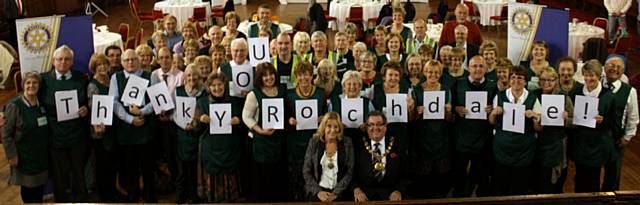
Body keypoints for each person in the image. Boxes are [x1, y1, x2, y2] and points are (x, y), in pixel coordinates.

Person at [40, 45, 90, 202]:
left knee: (79, 174)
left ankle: (81, 201)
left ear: (72, 62)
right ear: (53, 61)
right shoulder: (43, 80)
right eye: (59, 59)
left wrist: (86, 109)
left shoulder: (81, 78)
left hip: (77, 136)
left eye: (67, 59)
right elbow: (29, 97)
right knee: (59, 177)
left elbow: (89, 102)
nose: (63, 62)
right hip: (55, 138)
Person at [109, 49, 157, 202]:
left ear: (139, 60)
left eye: (133, 59)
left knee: (148, 168)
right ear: (122, 62)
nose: (130, 62)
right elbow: (114, 102)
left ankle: (150, 198)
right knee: (130, 169)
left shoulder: (151, 76)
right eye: (126, 60)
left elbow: (157, 101)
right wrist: (130, 119)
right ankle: (133, 197)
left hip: (146, 130)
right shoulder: (116, 78)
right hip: (126, 131)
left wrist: (142, 112)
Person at [489, 65, 542, 196]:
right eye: (513, 77)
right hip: (502, 148)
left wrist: (535, 117)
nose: (516, 80)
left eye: (520, 78)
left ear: (525, 81)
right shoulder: (500, 96)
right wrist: (494, 113)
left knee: (519, 185)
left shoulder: (533, 98)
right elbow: (492, 122)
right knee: (500, 184)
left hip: (524, 149)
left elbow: (538, 128)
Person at [569, 59, 617, 193]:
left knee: (593, 178)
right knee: (579, 176)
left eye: (592, 75)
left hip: (597, 143)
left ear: (599, 76)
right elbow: (571, 111)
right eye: (586, 75)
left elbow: (613, 122)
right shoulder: (576, 91)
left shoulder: (608, 95)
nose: (588, 78)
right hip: (580, 141)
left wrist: (604, 120)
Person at [451, 56, 496, 197]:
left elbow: (497, 112)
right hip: (462, 137)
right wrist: (456, 109)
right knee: (459, 173)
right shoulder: (458, 84)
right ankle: (459, 196)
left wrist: (492, 110)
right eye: (474, 66)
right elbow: (449, 105)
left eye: (481, 66)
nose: (477, 69)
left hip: (483, 138)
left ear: (486, 69)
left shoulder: (492, 86)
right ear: (468, 68)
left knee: (481, 175)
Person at [242, 62, 287, 202]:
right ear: (259, 78)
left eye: (271, 74)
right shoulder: (253, 94)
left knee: (277, 176)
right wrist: (260, 130)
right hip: (260, 141)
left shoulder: (282, 90)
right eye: (265, 75)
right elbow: (246, 117)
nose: (269, 78)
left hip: (278, 140)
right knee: (261, 177)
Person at [410, 60, 454, 198]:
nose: (433, 75)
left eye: (436, 72)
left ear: (440, 74)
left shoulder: (446, 90)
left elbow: (449, 119)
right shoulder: (416, 89)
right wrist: (416, 112)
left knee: (441, 174)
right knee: (423, 175)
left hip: (441, 136)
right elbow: (411, 118)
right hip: (422, 135)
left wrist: (448, 111)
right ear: (425, 72)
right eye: (430, 71)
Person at [197, 72, 243, 202]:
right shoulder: (201, 102)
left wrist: (238, 121)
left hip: (230, 146)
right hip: (210, 147)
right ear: (208, 87)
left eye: (220, 85)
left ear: (225, 85)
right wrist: (200, 119)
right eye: (213, 86)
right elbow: (195, 128)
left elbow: (244, 124)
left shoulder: (234, 101)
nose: (217, 88)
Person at [3, 72, 49, 203]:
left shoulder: (42, 105)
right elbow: (6, 134)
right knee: (29, 190)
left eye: (35, 83)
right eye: (28, 82)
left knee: (39, 189)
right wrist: (11, 155)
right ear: (23, 85)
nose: (31, 85)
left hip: (40, 156)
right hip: (24, 156)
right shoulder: (15, 106)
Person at [286, 62, 327, 201]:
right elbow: (284, 117)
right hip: (295, 142)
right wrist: (289, 120)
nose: (303, 78)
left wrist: (323, 118)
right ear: (296, 77)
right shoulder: (289, 95)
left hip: (315, 141)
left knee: (315, 173)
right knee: (297, 177)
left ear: (311, 75)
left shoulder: (321, 93)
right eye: (300, 75)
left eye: (306, 74)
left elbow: (327, 115)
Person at [532, 67, 573, 194]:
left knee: (550, 179)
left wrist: (567, 119)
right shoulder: (533, 95)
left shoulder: (564, 97)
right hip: (536, 142)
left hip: (555, 143)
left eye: (550, 80)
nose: (546, 83)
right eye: (543, 79)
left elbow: (575, 122)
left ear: (556, 80)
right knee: (537, 176)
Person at [352, 111, 408, 202]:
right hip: (364, 196)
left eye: (379, 124)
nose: (375, 128)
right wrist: (356, 189)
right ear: (367, 127)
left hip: (391, 196)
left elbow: (405, 172)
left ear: (385, 127)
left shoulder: (397, 145)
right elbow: (351, 172)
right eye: (371, 125)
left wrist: (398, 190)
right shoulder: (358, 145)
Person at [601, 55, 638, 191]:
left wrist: (627, 137)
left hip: (616, 138)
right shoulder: (596, 85)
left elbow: (633, 117)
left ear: (623, 71)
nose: (614, 69)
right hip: (597, 136)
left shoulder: (630, 91)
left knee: (613, 173)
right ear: (604, 68)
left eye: (618, 67)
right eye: (611, 66)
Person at [87, 53, 118, 202]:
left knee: (112, 164)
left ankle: (113, 191)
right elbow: (95, 110)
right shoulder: (93, 86)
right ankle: (106, 196)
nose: (103, 67)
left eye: (105, 64)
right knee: (103, 165)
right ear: (94, 67)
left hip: (112, 128)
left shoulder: (110, 80)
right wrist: (98, 126)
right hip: (101, 132)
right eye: (99, 65)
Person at [173, 65, 207, 203]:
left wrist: (196, 125)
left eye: (194, 75)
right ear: (185, 77)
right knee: (182, 167)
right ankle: (182, 194)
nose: (192, 78)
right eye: (188, 75)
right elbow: (174, 113)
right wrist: (184, 125)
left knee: (195, 167)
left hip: (198, 135)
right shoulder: (178, 91)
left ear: (199, 77)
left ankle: (195, 194)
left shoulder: (204, 93)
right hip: (182, 134)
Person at [302, 112, 354, 202]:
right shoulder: (314, 142)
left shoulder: (347, 143)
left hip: (340, 193)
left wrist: (336, 193)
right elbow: (306, 171)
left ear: (339, 128)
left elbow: (349, 171)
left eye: (336, 126)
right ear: (324, 127)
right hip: (317, 192)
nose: (332, 130)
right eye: (329, 126)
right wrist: (318, 192)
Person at [370, 62, 416, 156]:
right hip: (380, 133)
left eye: (396, 75)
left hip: (400, 133)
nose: (393, 78)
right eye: (390, 75)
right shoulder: (374, 89)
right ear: (384, 76)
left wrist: (411, 108)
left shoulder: (407, 90)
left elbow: (411, 118)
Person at [328, 70, 376, 147]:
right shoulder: (334, 102)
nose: (352, 87)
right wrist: (338, 125)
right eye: (349, 84)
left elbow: (374, 122)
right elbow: (328, 123)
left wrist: (367, 125)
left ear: (360, 86)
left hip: (362, 141)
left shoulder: (367, 102)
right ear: (343, 87)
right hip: (339, 140)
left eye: (355, 84)